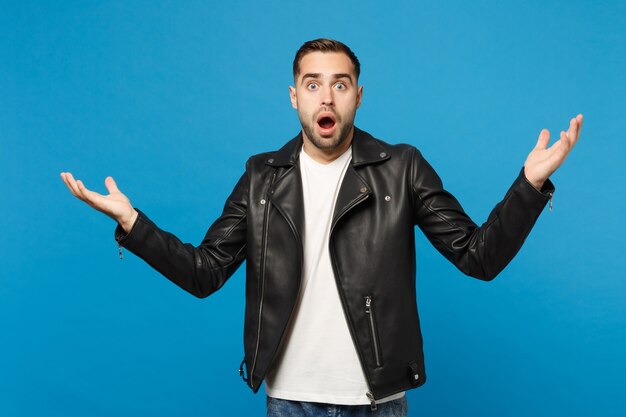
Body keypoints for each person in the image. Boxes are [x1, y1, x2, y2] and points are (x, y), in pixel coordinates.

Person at [60, 39, 583, 417]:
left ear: (358, 95)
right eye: (313, 84)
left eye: (340, 84)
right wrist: (132, 222)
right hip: (289, 401)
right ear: (295, 96)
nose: (326, 97)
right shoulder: (261, 177)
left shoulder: (402, 168)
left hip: (375, 401)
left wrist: (529, 185)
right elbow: (205, 272)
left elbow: (479, 256)